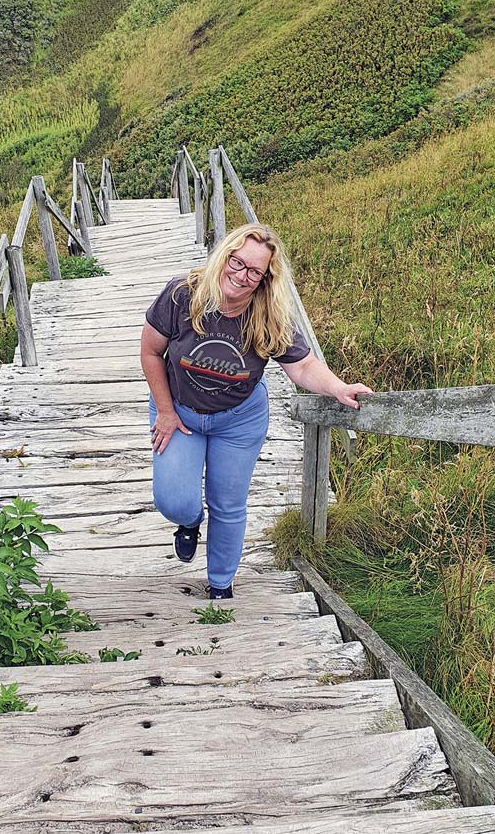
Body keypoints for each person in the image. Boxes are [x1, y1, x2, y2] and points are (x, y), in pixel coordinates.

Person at [140, 222, 372, 599]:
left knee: (228, 503)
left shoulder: (269, 314)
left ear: (265, 279)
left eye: (254, 271)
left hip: (238, 421)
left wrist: (338, 387)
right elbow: (150, 351)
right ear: (225, 255)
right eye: (237, 262)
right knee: (175, 501)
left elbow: (302, 366)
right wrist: (165, 412)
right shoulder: (185, 294)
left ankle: (220, 584)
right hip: (179, 412)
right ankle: (189, 522)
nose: (242, 275)